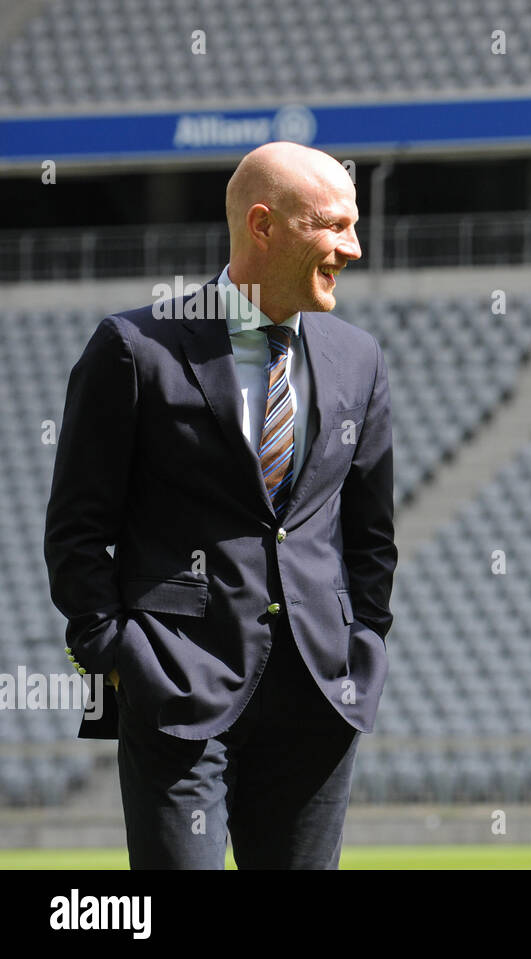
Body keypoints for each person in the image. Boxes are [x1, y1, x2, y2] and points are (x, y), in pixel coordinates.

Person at [44, 141, 396, 869]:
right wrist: (115, 656)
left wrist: (363, 647)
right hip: (175, 690)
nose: (353, 248)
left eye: (353, 226)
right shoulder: (135, 347)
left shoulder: (358, 358)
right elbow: (77, 530)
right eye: (332, 226)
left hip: (319, 699)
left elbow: (371, 538)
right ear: (263, 225)